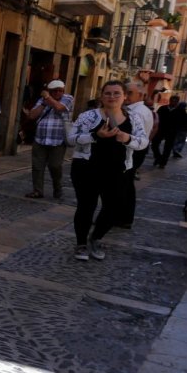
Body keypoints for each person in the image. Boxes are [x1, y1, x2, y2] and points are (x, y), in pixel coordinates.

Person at [67, 81, 147, 261]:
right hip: (86, 169)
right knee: (86, 206)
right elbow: (71, 139)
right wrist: (96, 136)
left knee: (114, 208)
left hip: (118, 171)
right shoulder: (88, 116)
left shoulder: (134, 119)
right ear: (101, 96)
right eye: (108, 93)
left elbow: (143, 142)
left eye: (117, 93)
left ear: (124, 96)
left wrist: (127, 138)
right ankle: (81, 244)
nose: (112, 97)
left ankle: (96, 238)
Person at [22, 79, 74, 199]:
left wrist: (48, 98)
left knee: (55, 166)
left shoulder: (68, 98)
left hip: (58, 139)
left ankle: (58, 188)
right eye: (54, 91)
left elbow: (60, 108)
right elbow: (32, 115)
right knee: (37, 166)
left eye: (60, 90)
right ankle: (37, 190)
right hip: (40, 138)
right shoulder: (42, 100)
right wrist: (44, 102)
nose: (57, 93)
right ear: (50, 91)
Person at [121, 82, 154, 228]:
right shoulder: (138, 109)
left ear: (140, 95)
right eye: (125, 92)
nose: (126, 96)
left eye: (129, 93)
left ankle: (122, 217)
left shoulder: (137, 112)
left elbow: (134, 135)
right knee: (126, 185)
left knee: (125, 184)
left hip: (133, 150)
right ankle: (124, 217)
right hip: (135, 150)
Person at [153, 95, 181, 168]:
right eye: (172, 101)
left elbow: (182, 122)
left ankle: (163, 163)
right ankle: (158, 157)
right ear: (170, 101)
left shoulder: (180, 111)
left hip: (172, 132)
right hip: (160, 130)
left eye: (175, 101)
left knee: (167, 148)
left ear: (178, 102)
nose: (174, 103)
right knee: (154, 144)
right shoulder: (163, 108)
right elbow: (157, 118)